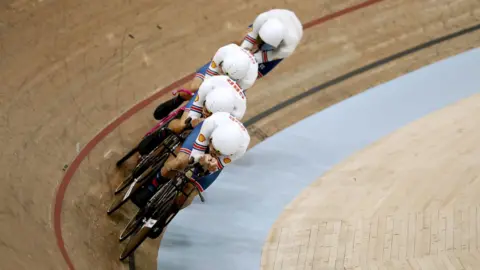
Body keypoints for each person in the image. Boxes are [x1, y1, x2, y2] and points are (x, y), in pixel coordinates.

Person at [131, 112, 250, 221]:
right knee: (180, 161)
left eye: (219, 152)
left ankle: (168, 213)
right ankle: (153, 184)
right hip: (202, 137)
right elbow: (194, 156)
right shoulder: (211, 123)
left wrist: (211, 164)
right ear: (213, 137)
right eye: (213, 148)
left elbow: (214, 167)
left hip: (220, 158)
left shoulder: (239, 149)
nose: (214, 152)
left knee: (191, 188)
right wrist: (200, 159)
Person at [138, 75, 247, 156]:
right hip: (205, 97)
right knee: (182, 125)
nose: (205, 113)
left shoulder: (236, 114)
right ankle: (162, 133)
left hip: (217, 117)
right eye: (206, 110)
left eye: (209, 113)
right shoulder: (211, 84)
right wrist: (191, 120)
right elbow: (198, 103)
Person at [153, 43, 257, 120]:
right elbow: (208, 78)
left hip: (229, 86)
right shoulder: (225, 51)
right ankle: (178, 99)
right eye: (223, 70)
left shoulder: (248, 79)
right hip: (214, 71)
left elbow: (233, 94)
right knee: (195, 87)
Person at [239, 9, 303, 78]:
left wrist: (251, 59)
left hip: (288, 37)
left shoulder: (286, 47)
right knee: (243, 41)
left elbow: (269, 56)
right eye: (259, 39)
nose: (258, 45)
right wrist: (241, 50)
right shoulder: (262, 19)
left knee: (254, 74)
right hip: (278, 17)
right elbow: (252, 34)